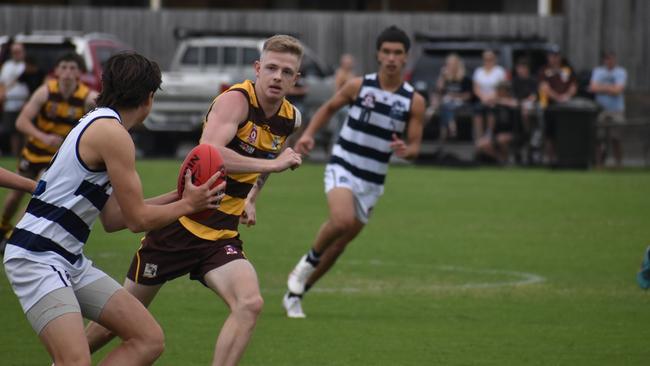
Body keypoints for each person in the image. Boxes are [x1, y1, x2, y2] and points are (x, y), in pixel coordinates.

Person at [85, 35, 304, 365]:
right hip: (179, 226)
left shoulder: (290, 118)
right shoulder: (236, 101)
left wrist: (253, 196)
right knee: (111, 328)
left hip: (221, 236)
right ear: (257, 68)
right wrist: (272, 163)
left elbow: (267, 156)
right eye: (271, 68)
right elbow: (208, 152)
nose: (277, 77)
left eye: (287, 72)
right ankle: (65, 359)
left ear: (296, 79)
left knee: (250, 303)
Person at [3, 51, 223, 366]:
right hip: (36, 256)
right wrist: (189, 204)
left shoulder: (97, 122)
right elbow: (138, 220)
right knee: (75, 361)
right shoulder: (113, 134)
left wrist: (180, 197)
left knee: (148, 339)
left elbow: (114, 218)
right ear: (149, 98)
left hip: (68, 260)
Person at [283, 25, 425, 318]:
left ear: (406, 57)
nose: (391, 58)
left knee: (341, 243)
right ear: (378, 54)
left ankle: (296, 294)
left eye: (397, 53)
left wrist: (404, 150)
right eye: (386, 51)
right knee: (342, 220)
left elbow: (414, 148)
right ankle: (305, 264)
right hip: (344, 162)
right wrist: (308, 134)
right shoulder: (359, 86)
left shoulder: (414, 101)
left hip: (373, 179)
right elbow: (328, 108)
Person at [0, 53, 97, 245]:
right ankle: (3, 225)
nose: (68, 72)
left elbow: (100, 121)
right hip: (34, 151)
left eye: (72, 68)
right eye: (64, 67)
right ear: (57, 71)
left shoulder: (87, 98)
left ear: (79, 73)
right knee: (15, 195)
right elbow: (21, 122)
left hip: (55, 158)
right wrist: (43, 136)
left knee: (37, 191)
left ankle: (14, 234)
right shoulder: (45, 92)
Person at [538, 50, 577, 165]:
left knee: (566, 133)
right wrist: (557, 97)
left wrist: (567, 96)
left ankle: (565, 158)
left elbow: (574, 85)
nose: (554, 59)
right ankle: (551, 160)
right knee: (550, 134)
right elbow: (543, 87)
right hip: (550, 107)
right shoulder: (544, 70)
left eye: (556, 56)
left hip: (567, 107)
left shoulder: (567, 70)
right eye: (551, 56)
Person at [589, 51, 627, 168]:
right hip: (601, 110)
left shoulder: (621, 72)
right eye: (607, 59)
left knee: (616, 138)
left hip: (616, 110)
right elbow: (593, 88)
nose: (609, 61)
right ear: (604, 61)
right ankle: (599, 164)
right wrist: (611, 88)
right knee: (599, 138)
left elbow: (618, 91)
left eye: (611, 59)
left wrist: (602, 88)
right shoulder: (598, 71)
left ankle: (618, 164)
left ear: (614, 60)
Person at [475, 81, 518, 164]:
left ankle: (506, 160)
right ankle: (501, 160)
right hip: (496, 133)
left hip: (513, 132)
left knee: (501, 140)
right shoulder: (495, 104)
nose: (498, 92)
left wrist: (498, 100)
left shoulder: (511, 102)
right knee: (480, 145)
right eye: (498, 90)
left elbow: (514, 103)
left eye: (501, 90)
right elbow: (486, 102)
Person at [432, 53, 472, 140]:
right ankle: (452, 128)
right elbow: (438, 90)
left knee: (445, 106)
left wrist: (455, 96)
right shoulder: (445, 77)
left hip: (460, 102)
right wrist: (442, 76)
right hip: (446, 102)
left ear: (457, 65)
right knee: (445, 105)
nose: (449, 66)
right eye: (448, 64)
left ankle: (444, 134)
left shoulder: (464, 78)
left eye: (452, 64)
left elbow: (468, 96)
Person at [0, 42, 29, 156]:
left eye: (19, 52)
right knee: (13, 132)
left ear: (23, 52)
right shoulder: (6, 66)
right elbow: (2, 83)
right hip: (10, 103)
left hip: (26, 104)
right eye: (14, 52)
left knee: (26, 131)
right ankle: (15, 154)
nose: (16, 54)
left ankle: (26, 154)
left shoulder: (28, 65)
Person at [472, 50, 506, 143]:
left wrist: (492, 98)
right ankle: (479, 136)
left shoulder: (499, 71)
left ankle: (489, 134)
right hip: (482, 98)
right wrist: (483, 97)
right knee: (478, 109)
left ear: (494, 59)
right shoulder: (479, 71)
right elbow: (476, 88)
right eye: (486, 59)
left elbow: (502, 88)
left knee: (492, 109)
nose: (488, 61)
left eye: (490, 59)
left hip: (495, 99)